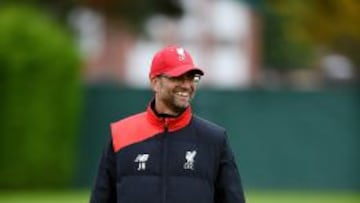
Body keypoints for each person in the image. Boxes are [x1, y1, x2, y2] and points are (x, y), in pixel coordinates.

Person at [90, 45, 246, 203]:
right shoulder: (121, 134)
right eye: (178, 77)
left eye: (192, 78)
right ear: (155, 83)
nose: (187, 85)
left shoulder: (214, 139)